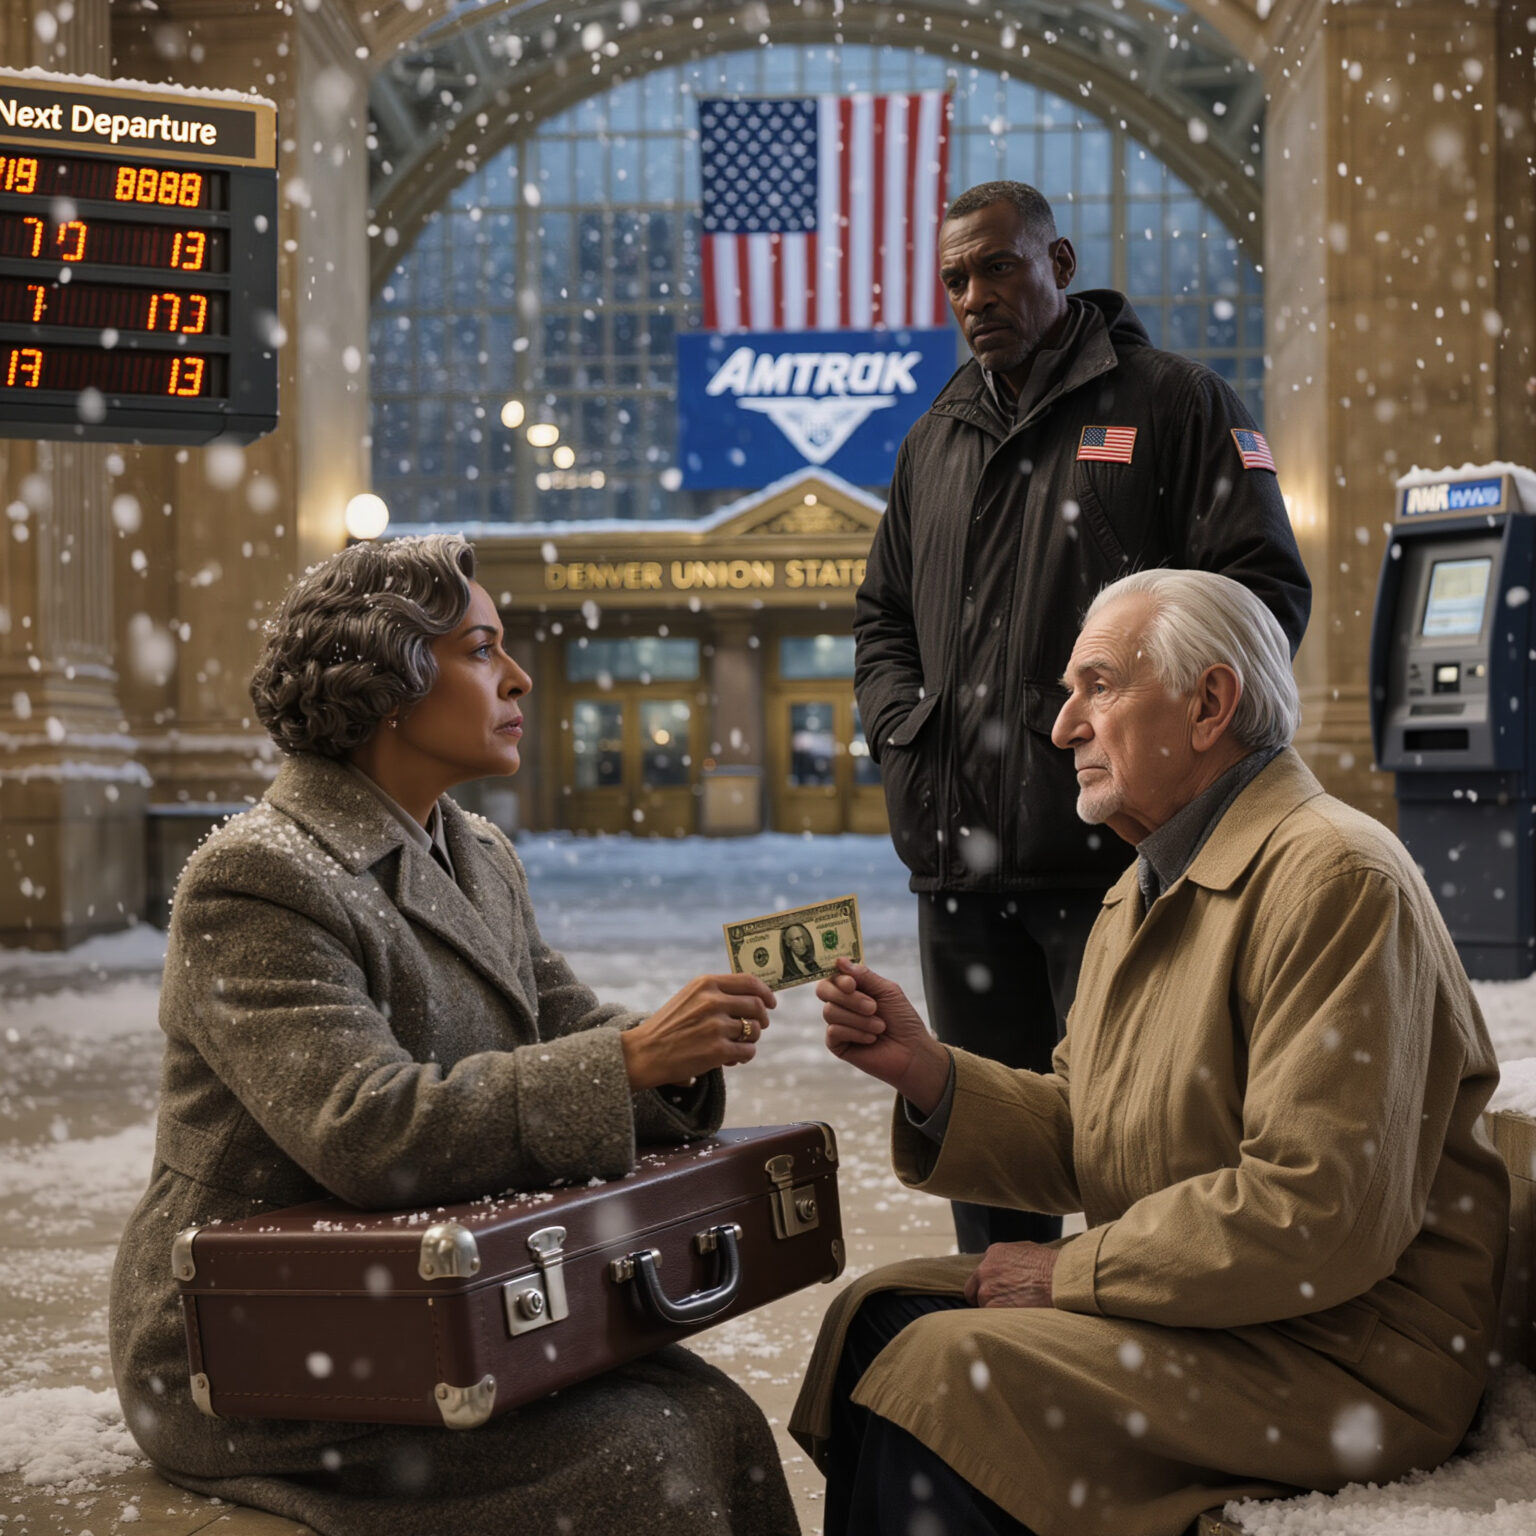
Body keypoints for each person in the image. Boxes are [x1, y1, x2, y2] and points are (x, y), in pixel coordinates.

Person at [793, 569, 1507, 1536]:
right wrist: (927, 1071)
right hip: (1215, 1314)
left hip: (1346, 1354)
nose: (1062, 728)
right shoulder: (1142, 891)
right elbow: (1087, 1130)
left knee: (946, 1371)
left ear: (1211, 704)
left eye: (1098, 686)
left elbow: (1316, 1214)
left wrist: (1068, 1274)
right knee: (877, 1318)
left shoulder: (1337, 877)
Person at [109, 534, 798, 1536]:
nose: (518, 678)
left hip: (416, 1296)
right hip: (250, 1340)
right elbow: (369, 1133)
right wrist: (632, 1059)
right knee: (643, 1460)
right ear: (388, 681)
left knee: (715, 1417)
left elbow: (569, 1026)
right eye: (482, 651)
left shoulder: (478, 851)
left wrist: (674, 1050)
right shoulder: (256, 879)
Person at [854, 179, 1312, 1254]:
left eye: (999, 266)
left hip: (1124, 864)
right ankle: (1007, 1380)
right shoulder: (935, 440)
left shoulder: (1175, 405)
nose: (975, 294)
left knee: (1141, 1147)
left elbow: (1261, 596)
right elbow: (882, 618)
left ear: (1059, 264)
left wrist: (1161, 752)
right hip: (959, 873)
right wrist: (903, 735)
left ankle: (1146, 1358)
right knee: (983, 1151)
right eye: (956, 277)